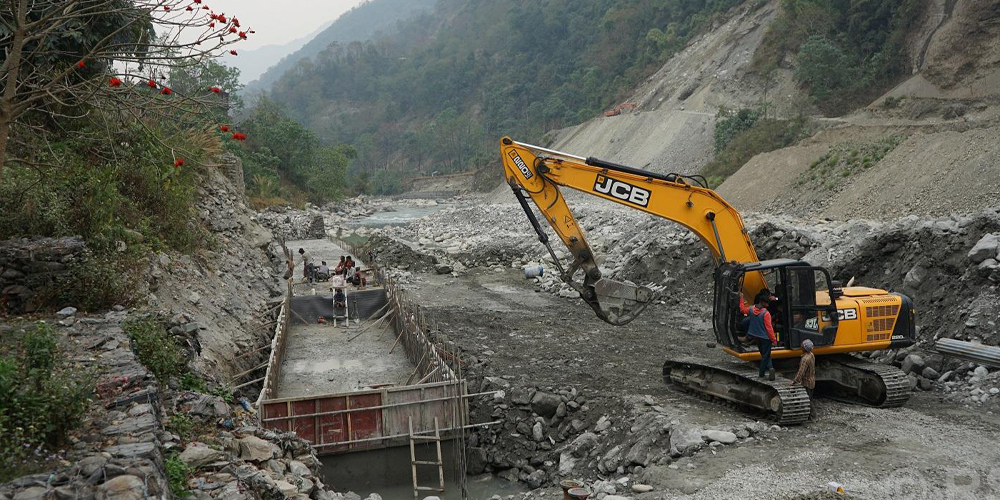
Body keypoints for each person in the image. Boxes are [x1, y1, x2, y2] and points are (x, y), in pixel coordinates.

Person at [746, 290, 777, 380]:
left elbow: (743, 310)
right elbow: (769, 328)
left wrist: (740, 299)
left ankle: (770, 367)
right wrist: (774, 340)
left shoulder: (752, 309)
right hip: (766, 338)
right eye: (767, 303)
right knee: (765, 356)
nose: (768, 305)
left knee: (765, 354)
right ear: (763, 302)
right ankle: (762, 373)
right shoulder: (766, 313)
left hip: (757, 337)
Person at [790, 339, 816, 417]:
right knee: (809, 398)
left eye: (802, 345)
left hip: (807, 382)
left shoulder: (805, 359)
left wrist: (794, 382)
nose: (800, 345)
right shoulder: (811, 354)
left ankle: (812, 415)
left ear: (804, 348)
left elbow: (801, 372)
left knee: (808, 400)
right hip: (812, 381)